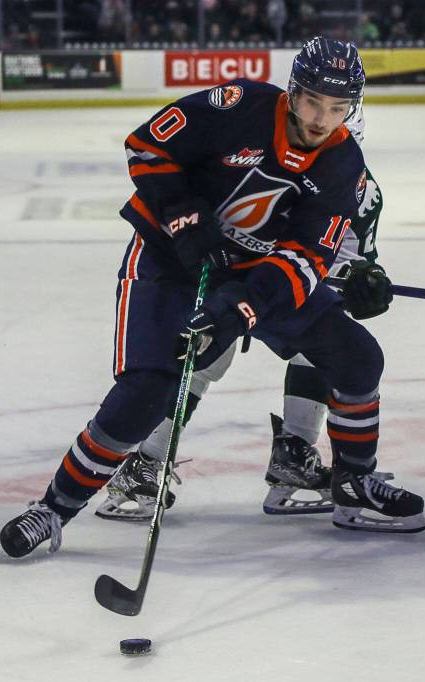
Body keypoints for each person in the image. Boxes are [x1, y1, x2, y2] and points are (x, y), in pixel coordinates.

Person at [0, 36, 425, 560]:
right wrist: (184, 216)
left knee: (358, 356)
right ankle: (54, 508)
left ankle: (353, 485)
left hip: (251, 275)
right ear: (293, 92)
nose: (321, 119)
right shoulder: (238, 107)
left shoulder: (343, 166)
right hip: (170, 261)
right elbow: (148, 145)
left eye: (337, 109)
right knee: (150, 391)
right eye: (314, 101)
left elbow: (305, 259)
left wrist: (246, 303)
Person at [96, 113, 388, 521]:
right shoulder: (263, 144)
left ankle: (295, 451)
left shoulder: (355, 185)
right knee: (204, 353)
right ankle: (147, 460)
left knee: (325, 340)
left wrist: (362, 282)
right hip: (225, 270)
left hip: (278, 285)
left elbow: (341, 262)